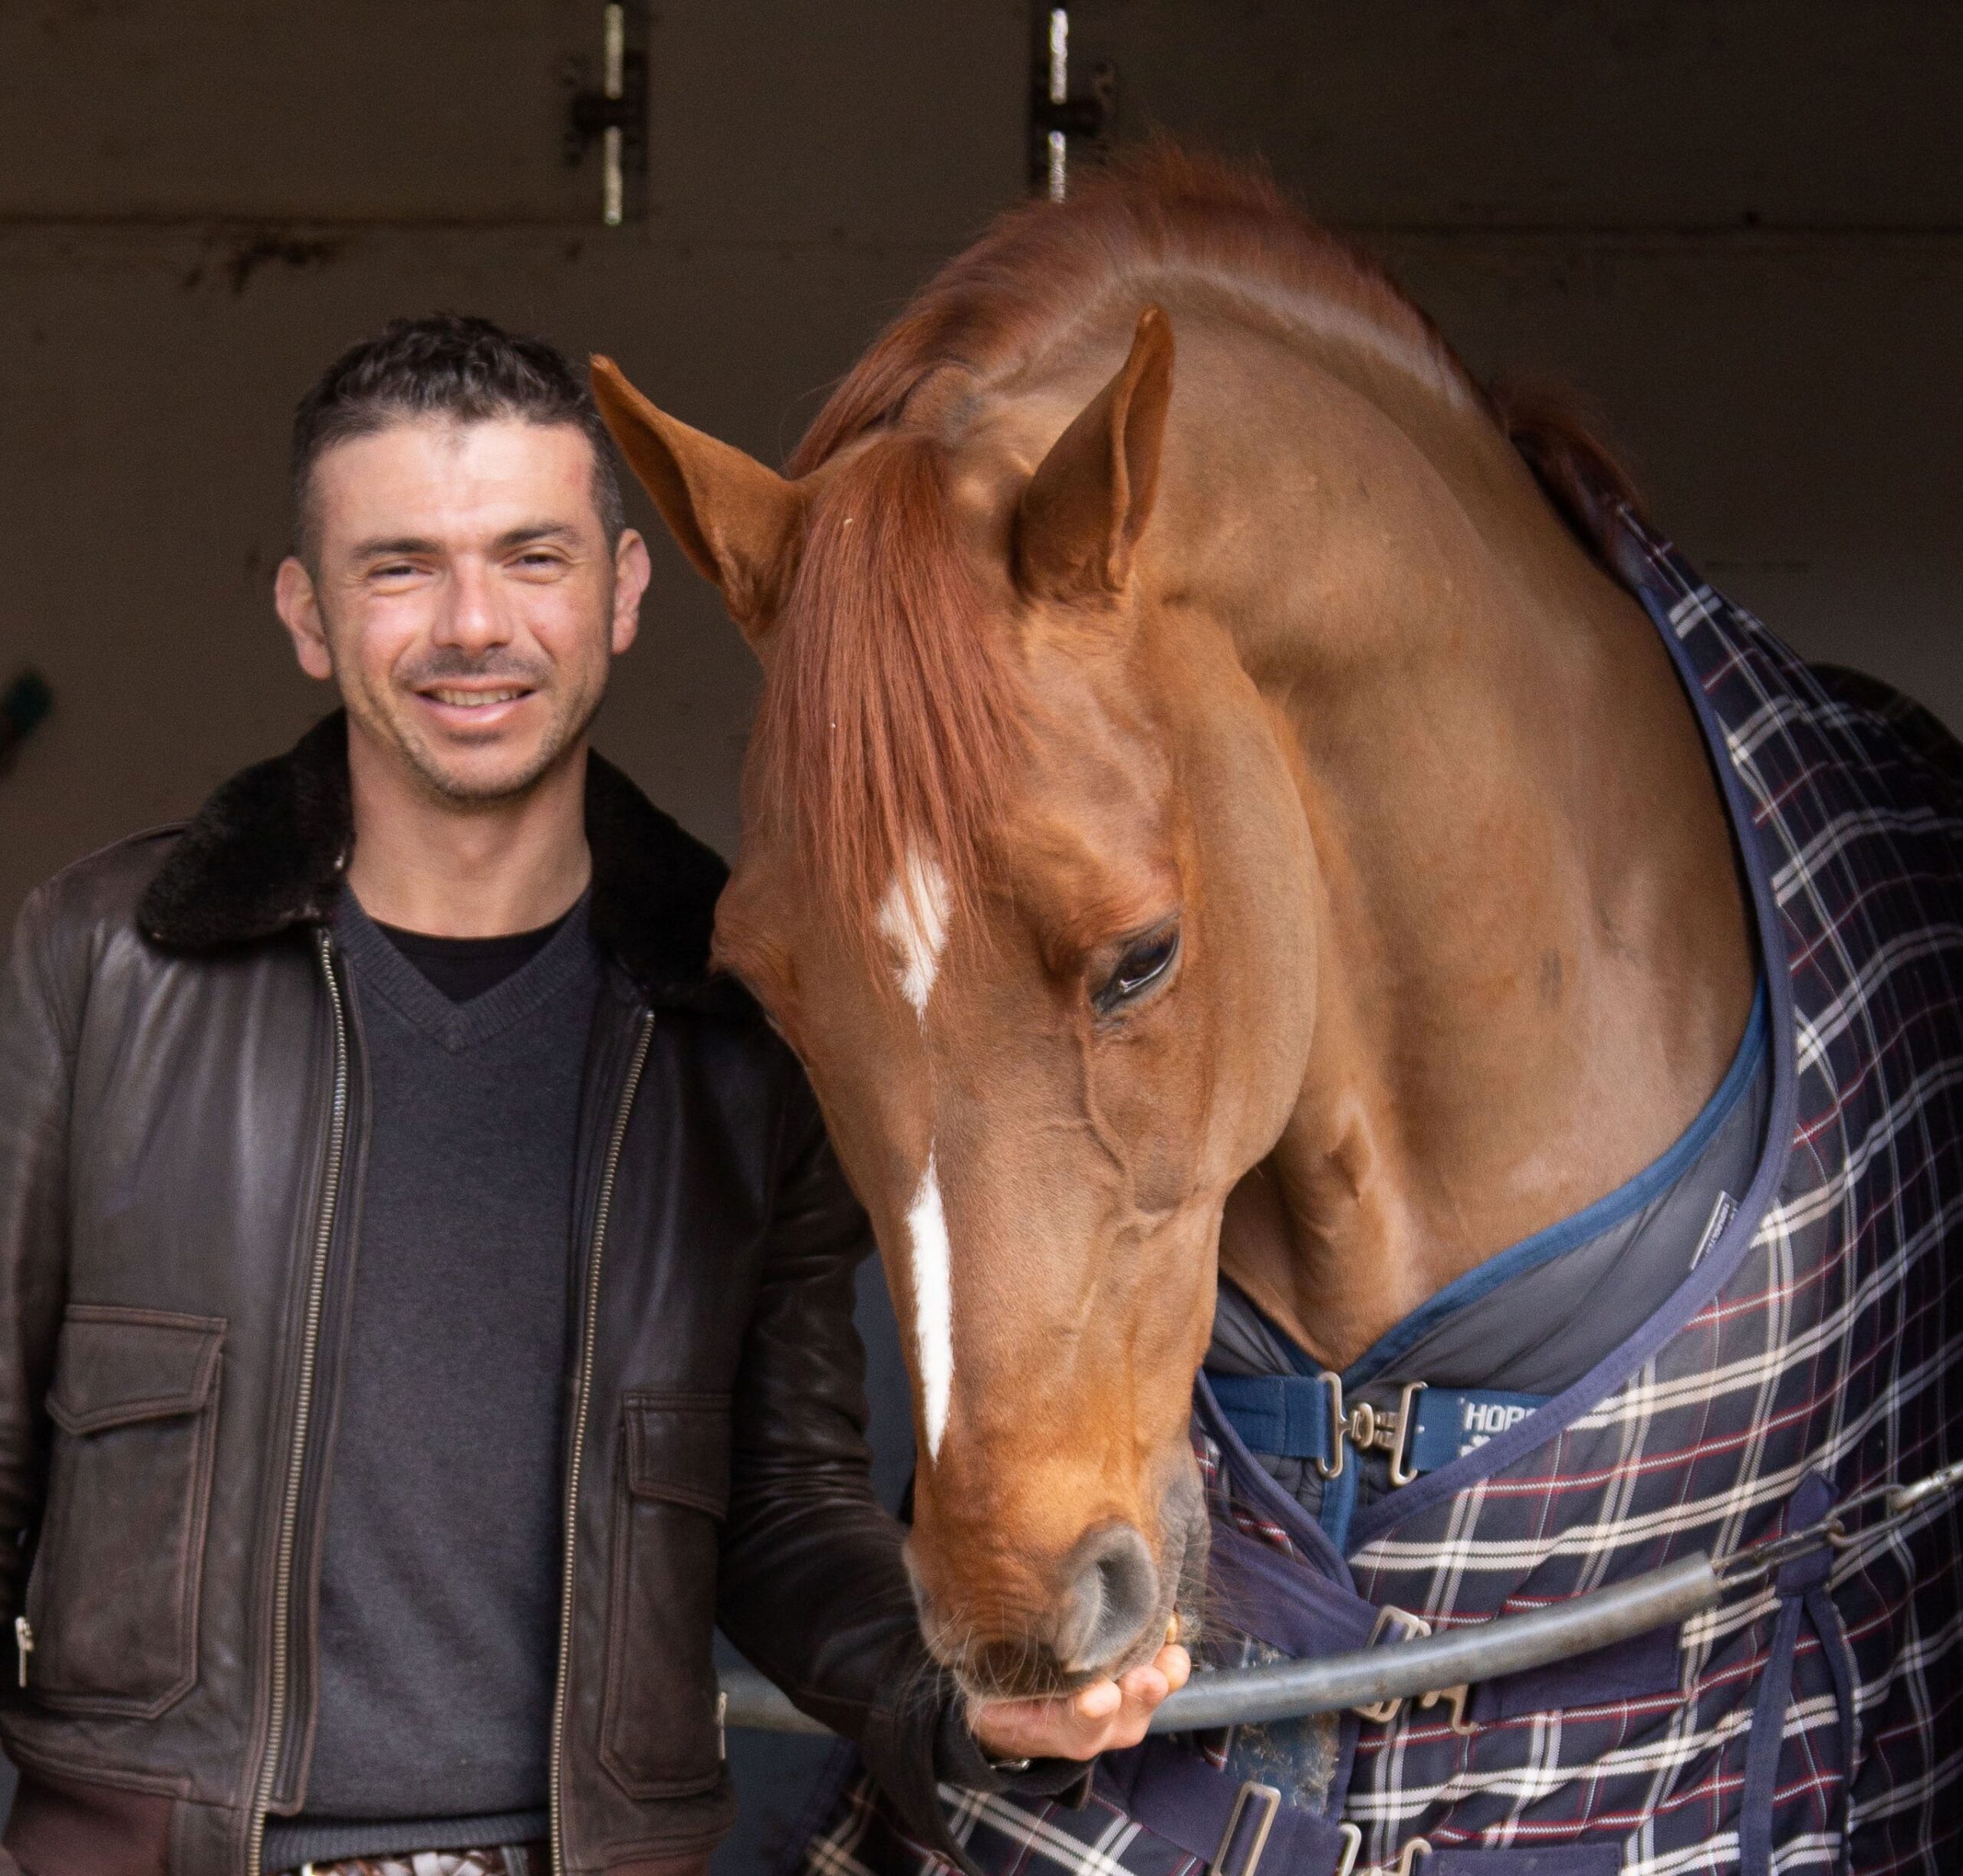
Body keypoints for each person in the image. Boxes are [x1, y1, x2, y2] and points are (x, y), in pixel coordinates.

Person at [0, 316, 1187, 1876]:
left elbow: (780, 1511)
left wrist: (958, 1700)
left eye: (532, 558)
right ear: (307, 615)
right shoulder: (108, 962)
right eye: (399, 566)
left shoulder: (737, 1021)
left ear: (625, 596)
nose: (471, 624)